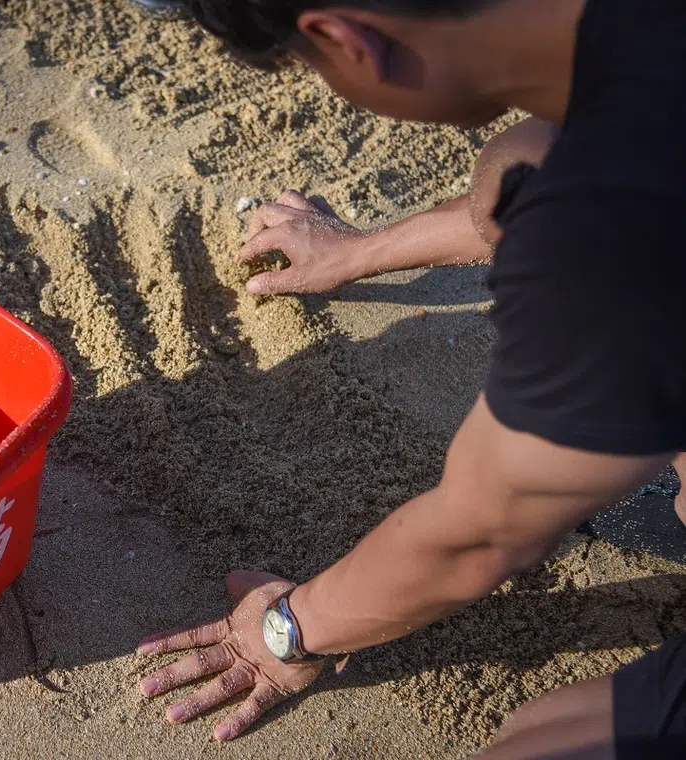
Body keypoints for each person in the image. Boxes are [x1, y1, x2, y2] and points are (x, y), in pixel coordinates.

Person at [135, 0, 686, 756]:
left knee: (542, 741)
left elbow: (485, 531)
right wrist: (358, 250)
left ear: (346, 40)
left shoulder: (609, 223)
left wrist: (286, 631)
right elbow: (549, 174)